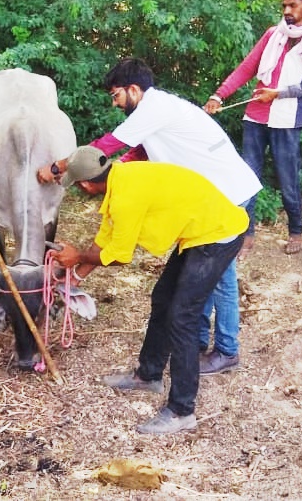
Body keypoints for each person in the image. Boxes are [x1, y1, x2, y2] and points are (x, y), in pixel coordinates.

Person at [37, 58, 260, 376]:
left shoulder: (152, 109)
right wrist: (78, 274)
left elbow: (105, 149)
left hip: (228, 193)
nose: (115, 103)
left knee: (219, 279)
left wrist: (57, 167)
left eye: (116, 96)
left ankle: (226, 350)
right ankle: (196, 342)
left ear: (133, 90)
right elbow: (133, 155)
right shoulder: (156, 114)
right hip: (208, 197)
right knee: (200, 280)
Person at [52, 146, 247, 434]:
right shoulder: (120, 177)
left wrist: (77, 257)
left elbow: (119, 256)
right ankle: (148, 375)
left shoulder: (125, 197)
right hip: (198, 231)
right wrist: (74, 278)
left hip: (217, 235)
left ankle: (182, 410)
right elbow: (105, 241)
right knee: (163, 299)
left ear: (86, 184)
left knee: (182, 317)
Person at [204, 0, 302, 256]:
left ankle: (296, 232)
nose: (287, 10)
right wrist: (219, 95)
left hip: (288, 119)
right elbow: (247, 68)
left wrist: (279, 93)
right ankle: (246, 234)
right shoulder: (273, 34)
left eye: (292, 5)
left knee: (288, 178)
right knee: (247, 175)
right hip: (256, 115)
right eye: (284, 5)